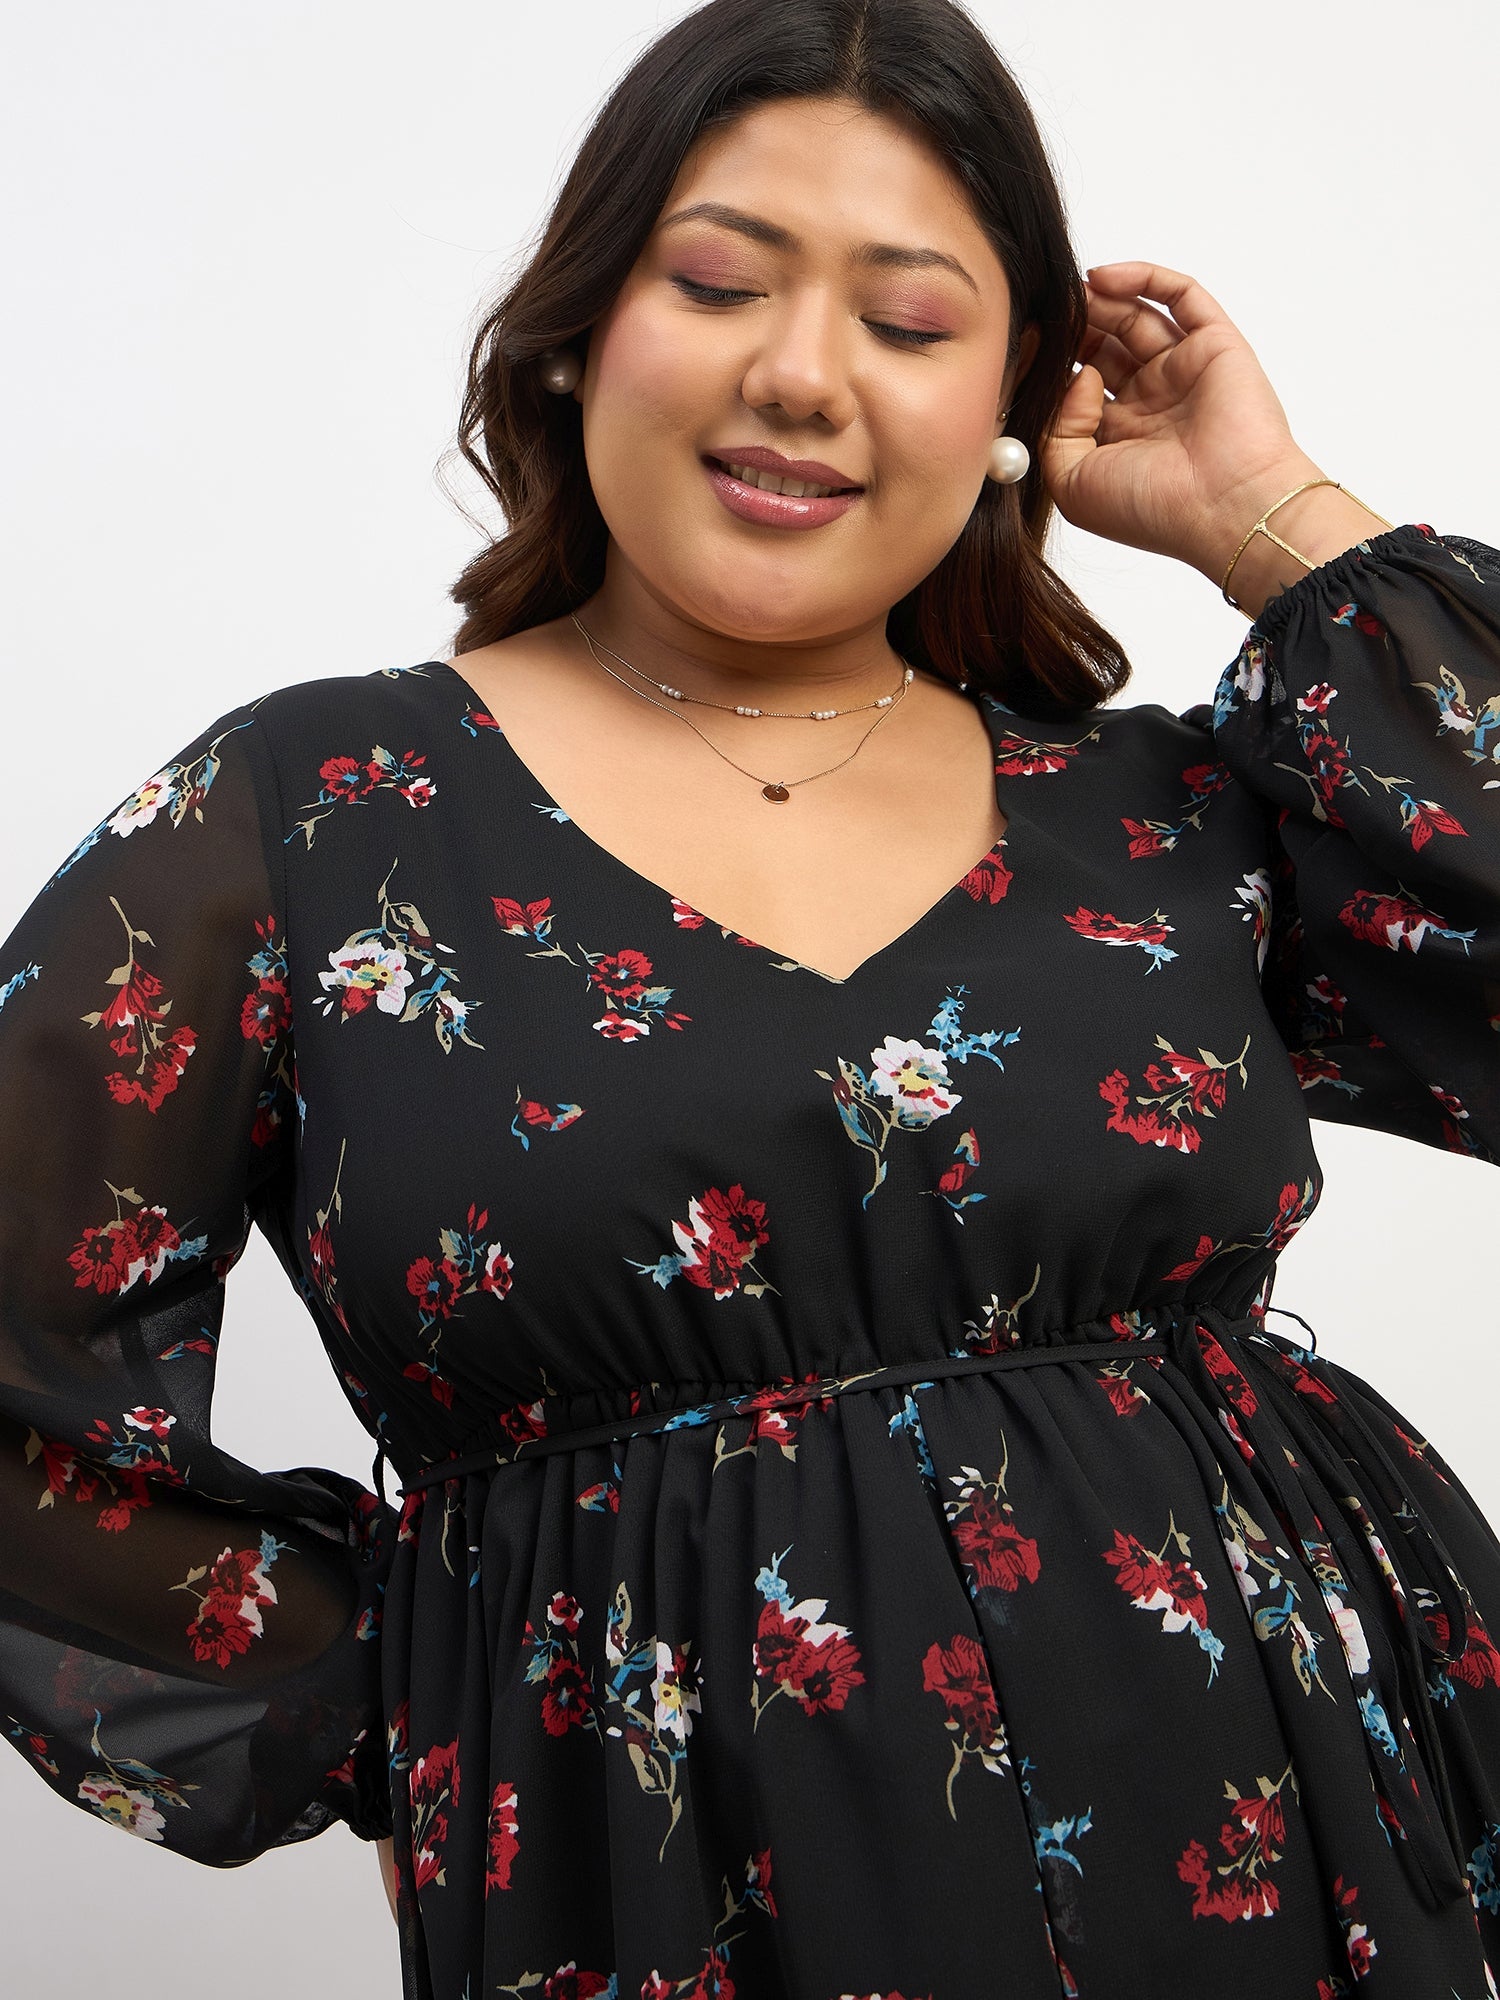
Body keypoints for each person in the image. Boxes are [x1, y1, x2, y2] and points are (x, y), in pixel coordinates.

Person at [2, 0, 1497, 1991]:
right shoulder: (311, 818)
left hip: (1290, 1856)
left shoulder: (1163, 814)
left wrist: (1274, 518)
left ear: (1014, 399)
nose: (801, 374)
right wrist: (437, 1679)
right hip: (675, 1906)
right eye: (717, 284)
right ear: (577, 325)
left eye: (911, 321)